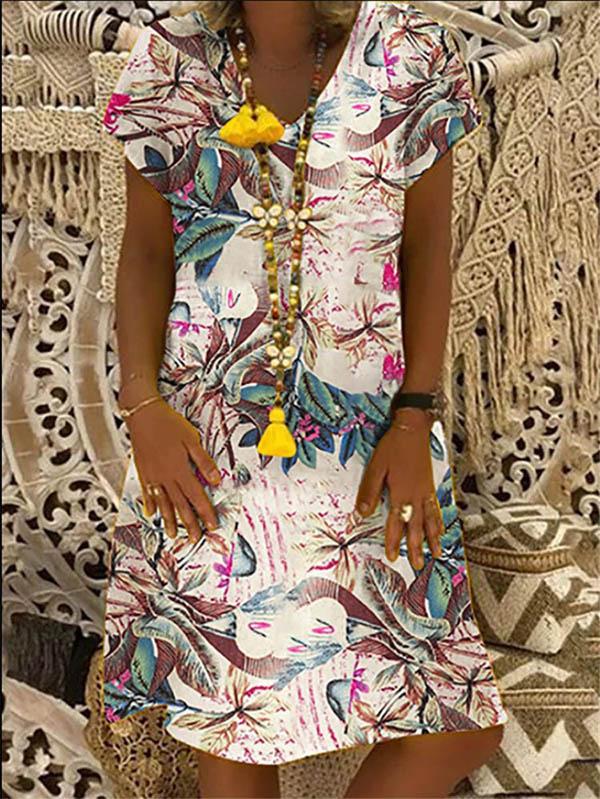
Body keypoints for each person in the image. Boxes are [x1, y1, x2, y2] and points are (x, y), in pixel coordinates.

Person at [100, 1, 508, 797]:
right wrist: (142, 409)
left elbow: (429, 250)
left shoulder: (411, 54)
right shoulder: (171, 61)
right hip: (207, 443)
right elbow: (145, 252)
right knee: (239, 725)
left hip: (373, 445)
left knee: (459, 720)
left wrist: (415, 414)